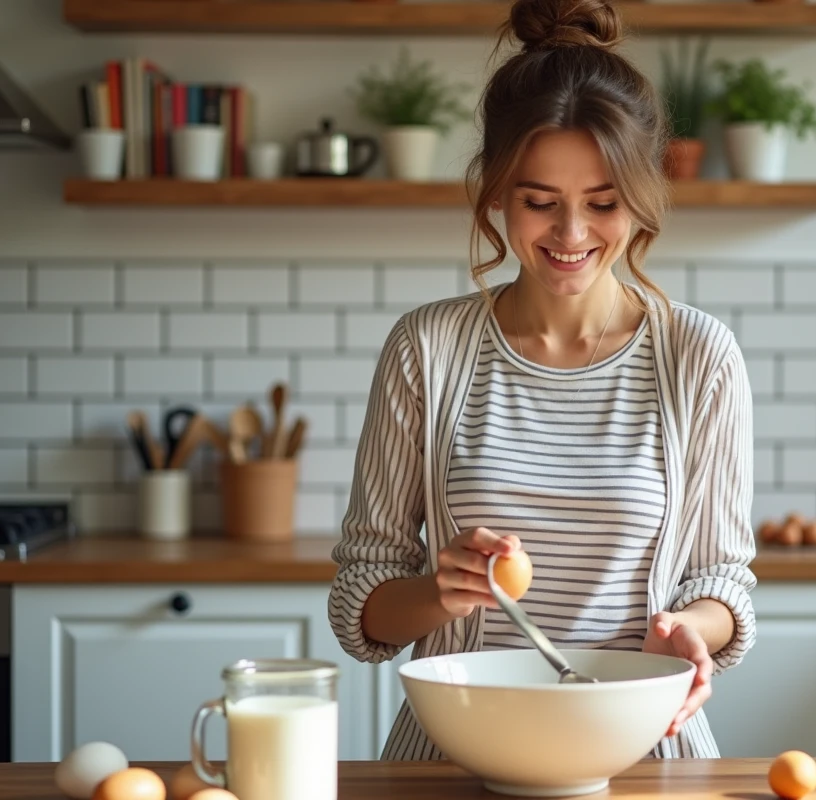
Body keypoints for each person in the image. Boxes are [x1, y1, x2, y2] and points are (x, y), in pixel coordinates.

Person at [328, 0, 757, 761]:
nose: (571, 235)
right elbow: (362, 608)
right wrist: (438, 589)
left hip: (643, 755)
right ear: (495, 192)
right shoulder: (426, 347)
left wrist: (691, 631)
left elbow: (722, 581)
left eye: (603, 203)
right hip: (454, 759)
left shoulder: (700, 356)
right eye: (539, 202)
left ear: (643, 195)